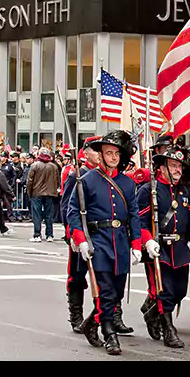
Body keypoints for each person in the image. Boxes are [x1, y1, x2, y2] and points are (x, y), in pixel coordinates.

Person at [67, 131, 142, 356]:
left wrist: (137, 243)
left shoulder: (127, 184)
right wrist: (79, 240)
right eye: (108, 153)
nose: (113, 157)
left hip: (120, 241)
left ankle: (92, 322)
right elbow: (73, 212)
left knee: (116, 291)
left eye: (116, 153)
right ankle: (109, 333)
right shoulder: (86, 180)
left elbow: (134, 214)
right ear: (100, 155)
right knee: (105, 289)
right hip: (98, 239)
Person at [137, 145, 190, 348]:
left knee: (180, 291)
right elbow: (140, 222)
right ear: (162, 168)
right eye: (173, 165)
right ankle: (168, 330)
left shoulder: (184, 190)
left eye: (179, 167)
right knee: (163, 290)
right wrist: (147, 241)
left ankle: (152, 312)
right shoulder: (149, 190)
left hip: (180, 247)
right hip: (158, 247)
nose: (177, 170)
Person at [61, 136, 102, 339]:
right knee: (77, 275)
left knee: (105, 276)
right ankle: (76, 315)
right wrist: (72, 234)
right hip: (82, 233)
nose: (99, 154)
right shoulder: (76, 175)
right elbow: (67, 207)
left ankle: (109, 316)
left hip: (102, 233)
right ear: (86, 152)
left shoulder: (105, 175)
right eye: (95, 150)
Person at [27, 147, 60, 242]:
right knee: (49, 214)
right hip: (50, 192)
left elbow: (30, 181)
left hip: (37, 192)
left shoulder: (35, 165)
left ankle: (37, 234)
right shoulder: (53, 166)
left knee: (37, 214)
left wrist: (29, 192)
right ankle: (49, 234)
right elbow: (57, 180)